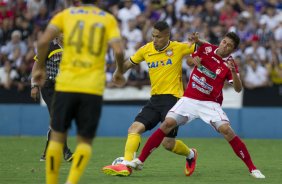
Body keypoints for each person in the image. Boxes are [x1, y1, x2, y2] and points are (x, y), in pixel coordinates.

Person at [128, 32, 266, 179]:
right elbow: (188, 61)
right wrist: (193, 61)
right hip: (190, 99)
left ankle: (252, 168)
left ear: (233, 50)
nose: (225, 46)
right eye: (224, 42)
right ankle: (140, 161)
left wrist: (233, 72)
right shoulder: (207, 48)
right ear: (221, 41)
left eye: (229, 46)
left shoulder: (230, 64)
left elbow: (238, 89)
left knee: (227, 130)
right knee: (167, 124)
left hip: (209, 103)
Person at [32, 0, 126, 183]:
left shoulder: (64, 16)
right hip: (92, 87)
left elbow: (43, 41)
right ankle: (71, 181)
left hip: (65, 85)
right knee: (85, 141)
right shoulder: (107, 19)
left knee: (57, 135)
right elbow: (119, 51)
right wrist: (119, 71)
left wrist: (38, 70)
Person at [102, 21, 197, 177]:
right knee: (134, 129)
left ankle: (191, 154)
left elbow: (206, 49)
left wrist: (198, 43)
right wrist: (118, 72)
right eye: (153, 35)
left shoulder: (178, 47)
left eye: (158, 37)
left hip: (173, 100)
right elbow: (127, 64)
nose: (154, 39)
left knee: (168, 144)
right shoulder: (146, 49)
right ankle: (126, 165)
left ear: (167, 35)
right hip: (154, 100)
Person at [30, 35, 73, 162]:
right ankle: (66, 152)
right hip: (49, 86)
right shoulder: (49, 47)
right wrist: (34, 85)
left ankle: (46, 153)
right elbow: (36, 66)